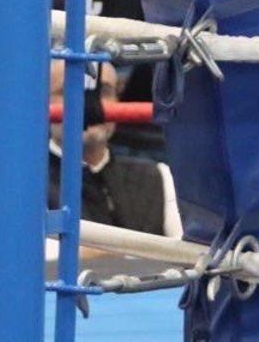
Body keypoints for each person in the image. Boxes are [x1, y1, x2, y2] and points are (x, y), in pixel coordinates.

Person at [45, 62, 182, 250]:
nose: (88, 104)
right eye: (68, 90)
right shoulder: (23, 186)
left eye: (104, 91)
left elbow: (187, 256)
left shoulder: (157, 175)